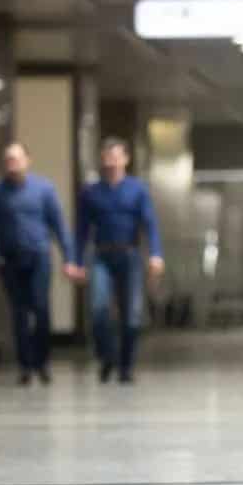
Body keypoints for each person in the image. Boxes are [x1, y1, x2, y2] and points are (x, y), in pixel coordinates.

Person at [68, 137, 164, 384]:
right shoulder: (91, 193)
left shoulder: (137, 189)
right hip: (101, 256)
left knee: (132, 315)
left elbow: (150, 224)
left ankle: (126, 366)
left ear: (126, 159)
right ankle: (107, 356)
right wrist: (75, 261)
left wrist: (155, 253)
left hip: (129, 255)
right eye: (107, 157)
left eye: (116, 157)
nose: (112, 162)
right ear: (102, 160)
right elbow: (81, 231)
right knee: (98, 310)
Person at [0, 142, 74, 386]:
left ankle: (42, 361)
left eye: (17, 159)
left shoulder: (43, 189)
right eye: (8, 159)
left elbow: (58, 224)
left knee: (40, 308)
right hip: (10, 258)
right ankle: (25, 365)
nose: (13, 164)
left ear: (28, 160)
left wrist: (69, 258)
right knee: (18, 313)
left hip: (38, 255)